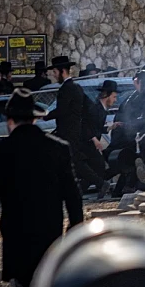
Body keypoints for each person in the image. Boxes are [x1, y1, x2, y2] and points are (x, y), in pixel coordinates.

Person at [0, 88, 84, 287]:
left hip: (16, 232)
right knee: (47, 282)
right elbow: (72, 192)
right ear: (34, 119)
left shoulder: (3, 150)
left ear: (10, 121)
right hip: (49, 230)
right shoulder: (58, 147)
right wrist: (76, 225)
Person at [42, 56, 87, 195]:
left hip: (68, 131)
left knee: (74, 162)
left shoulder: (68, 88)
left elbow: (62, 110)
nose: (54, 76)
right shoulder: (74, 87)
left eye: (55, 72)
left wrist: (46, 115)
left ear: (62, 71)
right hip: (70, 129)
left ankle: (99, 182)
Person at [109, 71, 145, 196]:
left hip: (130, 136)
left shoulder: (138, 96)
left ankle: (119, 191)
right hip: (126, 136)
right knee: (127, 166)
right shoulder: (135, 97)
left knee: (129, 167)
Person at [80, 80, 118, 200]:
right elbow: (85, 126)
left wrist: (111, 126)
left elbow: (97, 127)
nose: (115, 100)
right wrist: (94, 139)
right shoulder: (94, 108)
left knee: (94, 170)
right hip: (86, 143)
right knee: (98, 167)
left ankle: (79, 192)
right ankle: (101, 186)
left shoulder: (102, 109)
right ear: (106, 95)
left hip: (91, 143)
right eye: (114, 97)